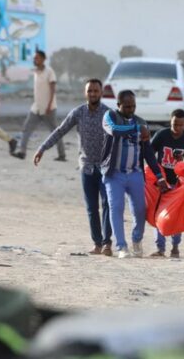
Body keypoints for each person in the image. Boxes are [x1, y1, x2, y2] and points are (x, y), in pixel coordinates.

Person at [33, 79, 113, 256]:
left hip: (106, 168)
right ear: (85, 93)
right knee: (92, 208)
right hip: (86, 168)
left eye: (95, 91)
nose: (92, 94)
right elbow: (60, 131)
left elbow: (120, 137)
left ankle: (108, 243)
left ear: (101, 93)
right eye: (89, 91)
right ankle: (97, 243)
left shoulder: (109, 114)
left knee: (108, 204)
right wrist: (42, 148)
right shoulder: (78, 113)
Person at [101, 90, 169, 259]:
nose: (131, 109)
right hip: (114, 174)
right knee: (116, 208)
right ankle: (121, 247)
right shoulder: (110, 117)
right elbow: (115, 131)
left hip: (135, 174)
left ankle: (136, 240)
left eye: (133, 106)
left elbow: (148, 153)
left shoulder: (141, 122)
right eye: (127, 106)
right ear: (118, 105)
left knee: (140, 210)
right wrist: (137, 129)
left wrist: (159, 176)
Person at [149, 109, 184, 258]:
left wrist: (182, 161)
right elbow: (149, 154)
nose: (177, 128)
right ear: (170, 121)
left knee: (175, 216)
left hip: (178, 183)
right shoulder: (162, 135)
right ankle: (160, 248)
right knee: (159, 215)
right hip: (162, 182)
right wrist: (156, 176)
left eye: (180, 125)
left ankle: (175, 246)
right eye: (174, 124)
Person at [13, 50, 65, 161]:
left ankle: (62, 154)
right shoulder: (36, 72)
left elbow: (52, 90)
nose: (34, 60)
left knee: (55, 132)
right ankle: (22, 152)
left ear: (43, 59)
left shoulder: (49, 72)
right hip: (36, 107)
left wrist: (49, 106)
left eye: (36, 58)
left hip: (48, 109)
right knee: (26, 128)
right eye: (34, 58)